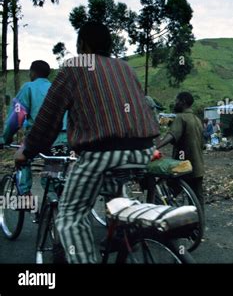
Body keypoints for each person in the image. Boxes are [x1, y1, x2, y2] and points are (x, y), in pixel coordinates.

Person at [14, 22, 160, 264]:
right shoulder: (125, 68)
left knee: (70, 216)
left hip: (102, 152)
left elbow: (48, 119)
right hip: (143, 149)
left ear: (83, 44)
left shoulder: (75, 67)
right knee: (115, 193)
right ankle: (123, 232)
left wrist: (27, 150)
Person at [2, 60, 68, 199]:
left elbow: (16, 117)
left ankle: (25, 196)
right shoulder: (56, 89)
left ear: (32, 72)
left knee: (21, 159)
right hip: (62, 140)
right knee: (51, 177)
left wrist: (5, 138)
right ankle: (52, 208)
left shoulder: (29, 87)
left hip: (40, 137)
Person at [155, 92, 205, 211]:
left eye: (176, 101)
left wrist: (157, 145)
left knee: (168, 192)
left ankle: (161, 216)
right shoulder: (197, 120)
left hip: (183, 166)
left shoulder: (181, 117)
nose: (175, 103)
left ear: (182, 102)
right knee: (197, 198)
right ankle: (198, 223)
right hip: (197, 166)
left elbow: (172, 135)